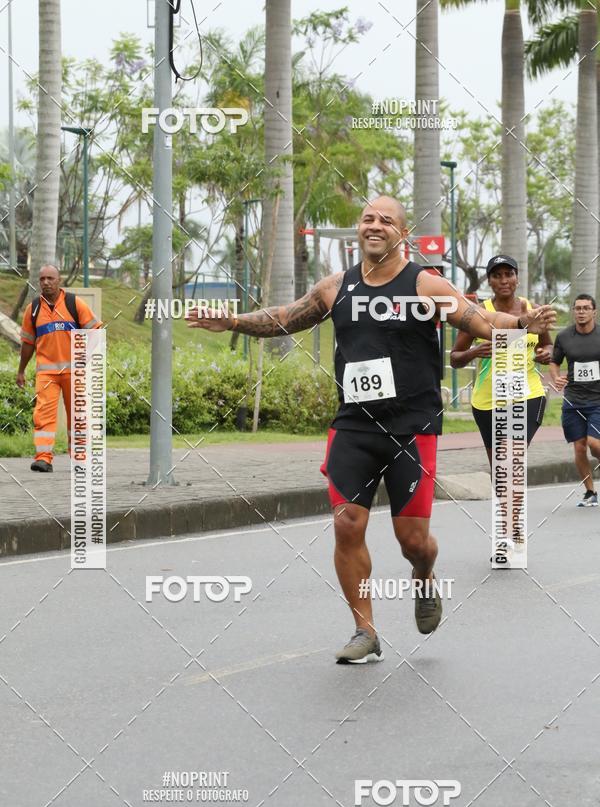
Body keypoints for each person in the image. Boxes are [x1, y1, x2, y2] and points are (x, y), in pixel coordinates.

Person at [188, 197, 555, 663]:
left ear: (403, 233)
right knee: (347, 524)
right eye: (367, 218)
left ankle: (424, 576)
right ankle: (365, 630)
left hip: (411, 428)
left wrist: (520, 321)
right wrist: (234, 321)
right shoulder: (336, 286)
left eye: (386, 220)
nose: (374, 225)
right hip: (355, 425)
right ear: (359, 229)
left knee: (414, 542)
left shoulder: (424, 284)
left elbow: (478, 319)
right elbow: (286, 317)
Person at [450, 254, 553, 467]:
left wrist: (546, 354)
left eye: (509, 274)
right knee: (500, 472)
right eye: (497, 276)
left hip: (527, 395)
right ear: (489, 281)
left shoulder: (532, 310)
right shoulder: (477, 314)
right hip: (487, 400)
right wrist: (474, 352)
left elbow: (548, 346)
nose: (504, 280)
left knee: (509, 459)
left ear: (517, 278)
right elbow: (455, 358)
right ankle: (508, 490)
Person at [16, 265, 102, 472]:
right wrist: (21, 370)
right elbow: (28, 343)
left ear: (59, 280)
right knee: (42, 415)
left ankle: (80, 459)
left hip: (75, 372)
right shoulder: (33, 309)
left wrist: (85, 356)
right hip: (47, 374)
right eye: (42, 279)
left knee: (78, 415)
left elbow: (96, 332)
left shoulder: (74, 304)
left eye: (50, 278)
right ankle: (43, 458)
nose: (46, 282)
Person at [550, 293, 600, 507]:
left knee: (594, 444)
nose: (581, 312)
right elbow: (554, 362)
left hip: (598, 401)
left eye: (586, 308)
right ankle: (590, 492)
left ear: (594, 312)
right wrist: (556, 377)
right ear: (573, 311)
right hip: (573, 401)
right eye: (578, 308)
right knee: (579, 448)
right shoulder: (564, 337)